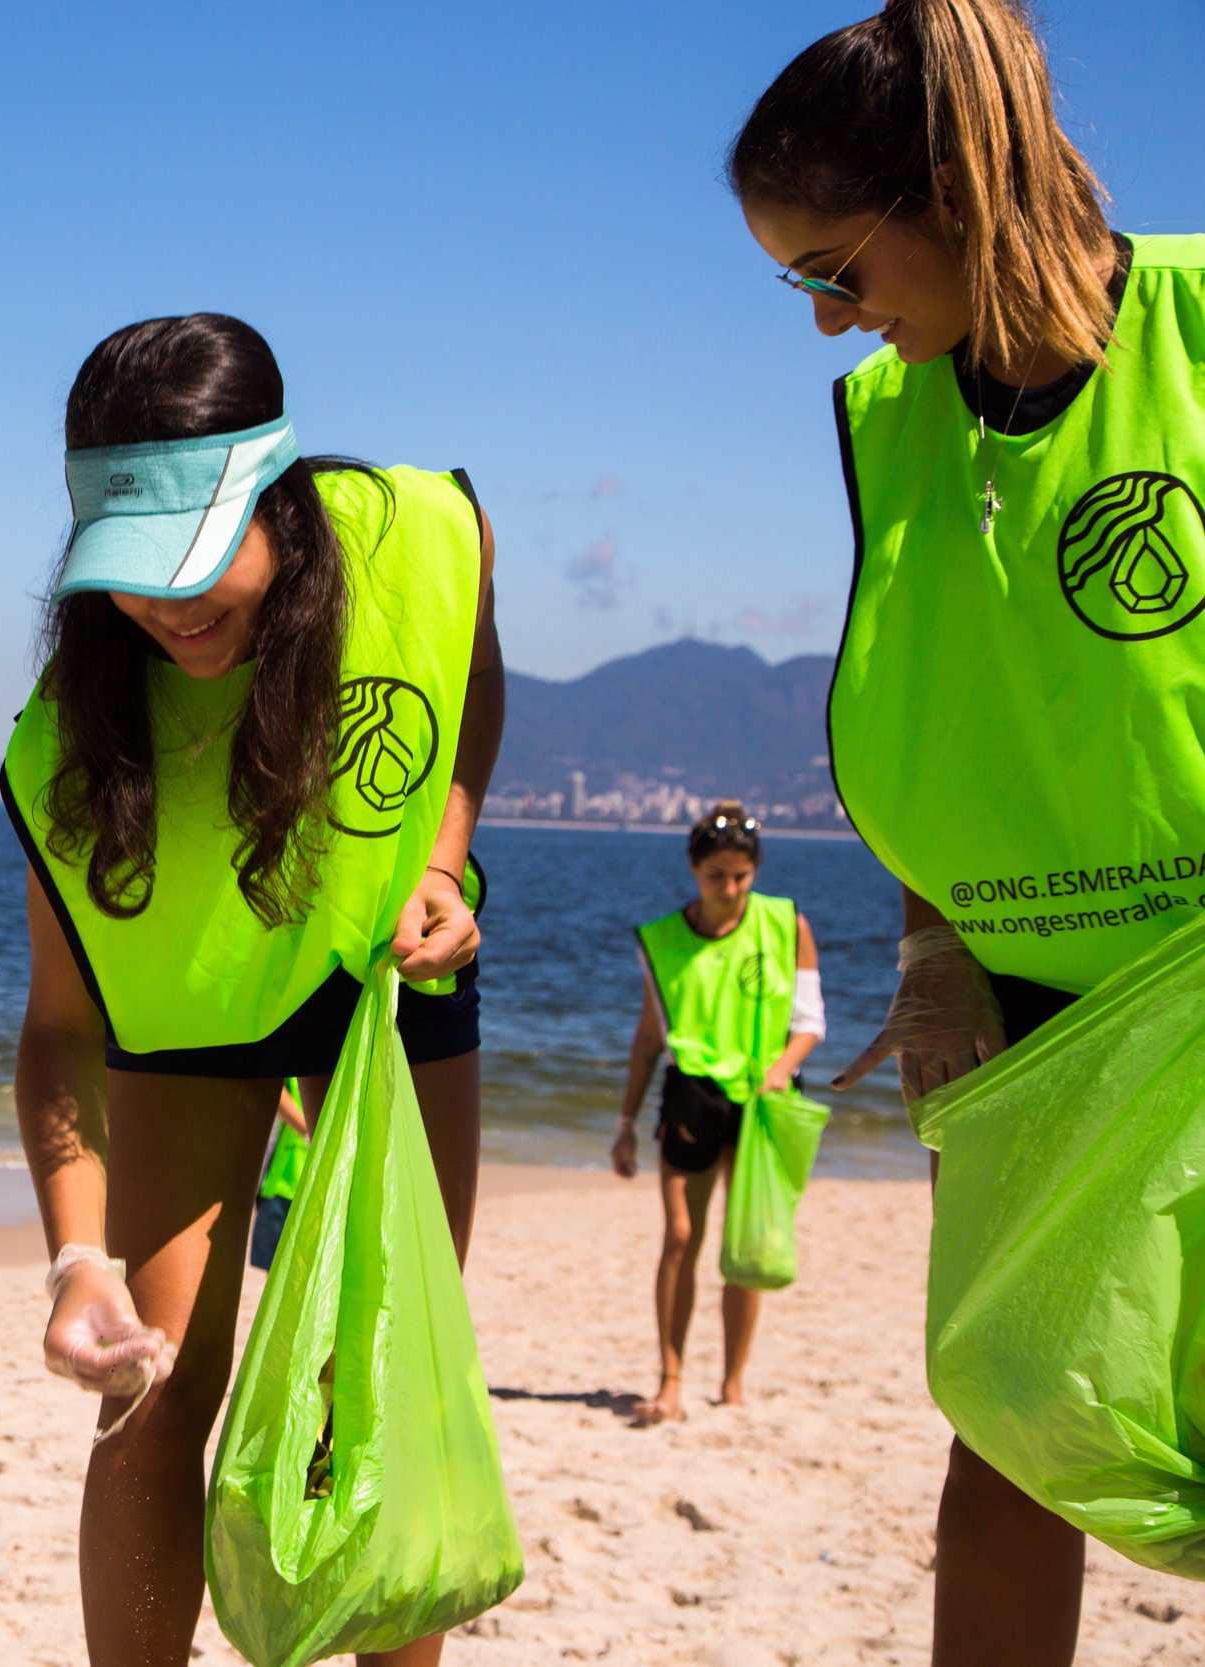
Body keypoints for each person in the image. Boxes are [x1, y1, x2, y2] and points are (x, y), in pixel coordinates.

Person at [733, 1, 1203, 1657]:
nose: (828, 319)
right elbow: (954, 714)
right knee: (1013, 1423)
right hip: (1023, 1027)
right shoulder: (892, 418)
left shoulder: (1194, 326)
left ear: (957, 188)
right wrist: (933, 951)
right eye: (797, 285)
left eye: (834, 268)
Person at [5, 313, 502, 1667]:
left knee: (375, 1381)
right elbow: (58, 1027)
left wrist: (444, 856)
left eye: (197, 556)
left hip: (386, 979)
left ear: (279, 494)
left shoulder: (422, 534)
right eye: (132, 569)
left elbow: (470, 668)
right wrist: (75, 1262)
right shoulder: (70, 741)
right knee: (149, 1383)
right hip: (196, 1002)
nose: (167, 604)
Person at [609, 803, 823, 1426]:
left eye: (740, 877)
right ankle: (671, 1380)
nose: (729, 889)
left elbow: (810, 1022)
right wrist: (625, 1125)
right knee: (680, 1236)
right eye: (715, 876)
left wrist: (781, 1068)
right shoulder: (663, 940)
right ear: (693, 869)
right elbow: (648, 1038)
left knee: (746, 1242)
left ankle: (732, 1383)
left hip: (763, 1100)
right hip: (692, 1097)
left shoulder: (786, 924)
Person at [251, 858, 489, 1274]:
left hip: (408, 939)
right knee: (362, 1267)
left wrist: (441, 874)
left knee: (418, 1271)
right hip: (288, 914)